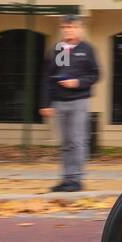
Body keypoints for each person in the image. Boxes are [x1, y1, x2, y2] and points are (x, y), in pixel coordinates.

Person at [39, 16, 101, 192]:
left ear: (79, 29)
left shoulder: (87, 49)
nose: (68, 30)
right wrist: (46, 103)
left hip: (79, 101)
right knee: (66, 142)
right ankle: (66, 178)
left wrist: (78, 82)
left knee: (77, 140)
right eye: (65, 27)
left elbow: (96, 75)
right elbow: (50, 77)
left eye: (72, 27)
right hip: (60, 101)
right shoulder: (59, 49)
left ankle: (77, 179)